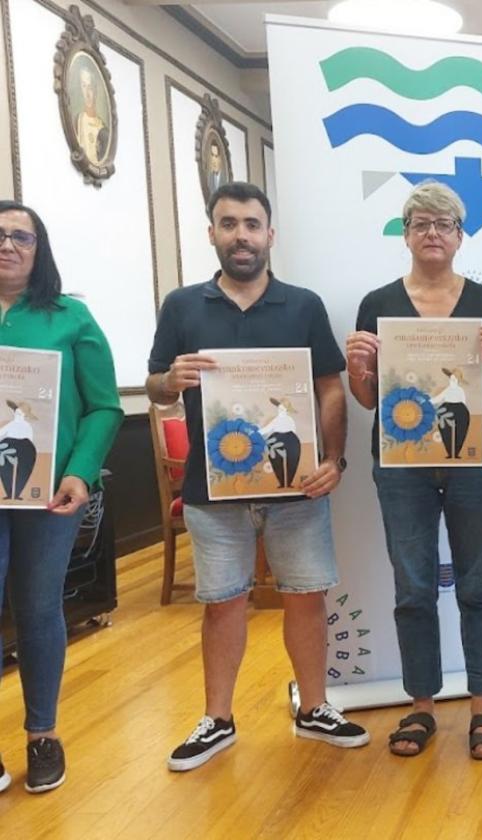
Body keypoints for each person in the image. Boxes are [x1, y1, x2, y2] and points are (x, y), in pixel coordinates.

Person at [147, 181, 368, 772]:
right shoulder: (182, 307)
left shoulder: (303, 305)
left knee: (306, 598)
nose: (240, 235)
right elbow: (154, 386)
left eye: (251, 224)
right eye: (228, 224)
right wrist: (169, 381)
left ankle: (314, 707)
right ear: (212, 233)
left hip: (297, 487)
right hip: (212, 490)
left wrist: (334, 459)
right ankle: (216, 719)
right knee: (223, 604)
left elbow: (329, 387)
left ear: (270, 234)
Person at [346, 181, 482, 760]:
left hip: (475, 461)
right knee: (413, 586)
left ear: (460, 236)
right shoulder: (377, 303)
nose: (432, 233)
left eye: (444, 224)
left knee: (477, 584)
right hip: (402, 465)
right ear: (406, 234)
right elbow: (367, 401)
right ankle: (421, 704)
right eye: (421, 223)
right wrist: (357, 369)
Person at [0, 200, 122, 793]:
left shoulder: (70, 317)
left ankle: (42, 735)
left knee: (38, 607)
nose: (8, 245)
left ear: (38, 249)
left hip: (48, 492)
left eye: (21, 237)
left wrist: (81, 470)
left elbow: (104, 406)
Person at [74, 66, 108, 166]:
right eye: (84, 86)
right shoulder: (78, 121)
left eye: (90, 87)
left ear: (95, 90)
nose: (87, 93)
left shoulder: (103, 129)